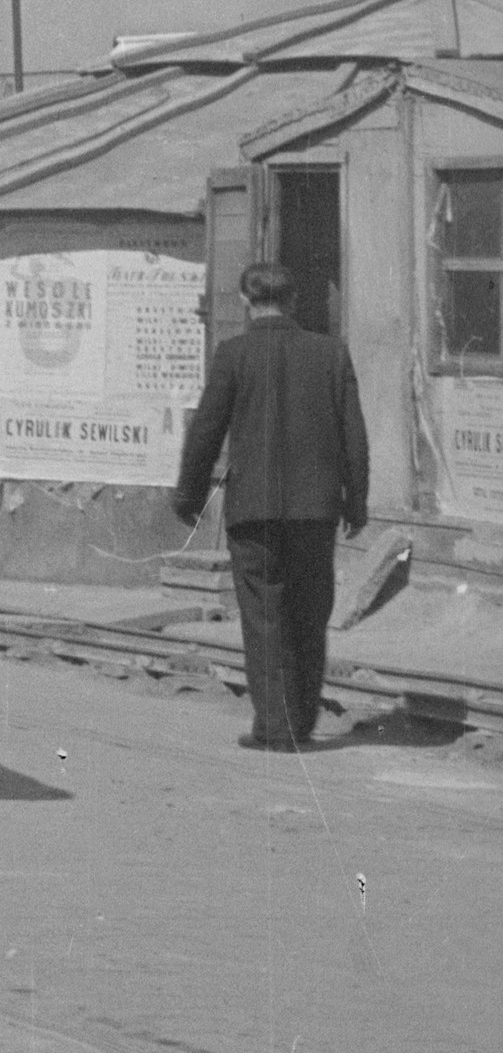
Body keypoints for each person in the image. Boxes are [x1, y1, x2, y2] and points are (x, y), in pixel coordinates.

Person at [173, 258, 371, 751]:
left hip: (253, 511)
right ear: (295, 301)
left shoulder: (233, 354)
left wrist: (189, 497)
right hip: (315, 511)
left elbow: (205, 432)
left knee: (263, 618)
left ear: (245, 301)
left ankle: (275, 728)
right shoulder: (331, 352)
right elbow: (355, 437)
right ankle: (299, 725)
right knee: (308, 614)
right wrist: (357, 501)